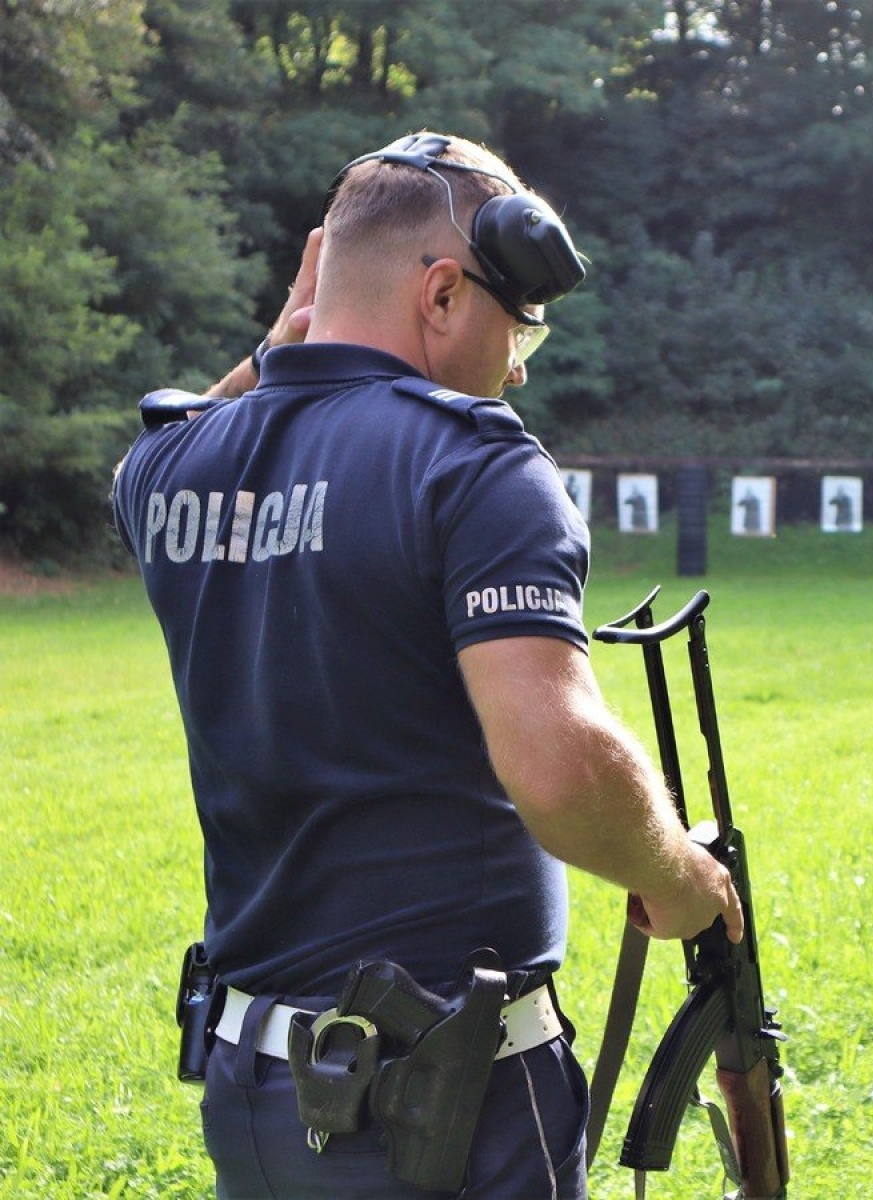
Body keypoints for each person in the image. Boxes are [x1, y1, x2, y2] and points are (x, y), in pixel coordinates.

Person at [111, 131, 742, 1199]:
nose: (521, 361)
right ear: (442, 295)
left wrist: (286, 343)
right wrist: (677, 875)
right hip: (448, 1107)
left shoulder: (170, 471)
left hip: (253, 1094)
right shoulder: (474, 462)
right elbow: (555, 768)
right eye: (514, 320)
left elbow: (191, 431)